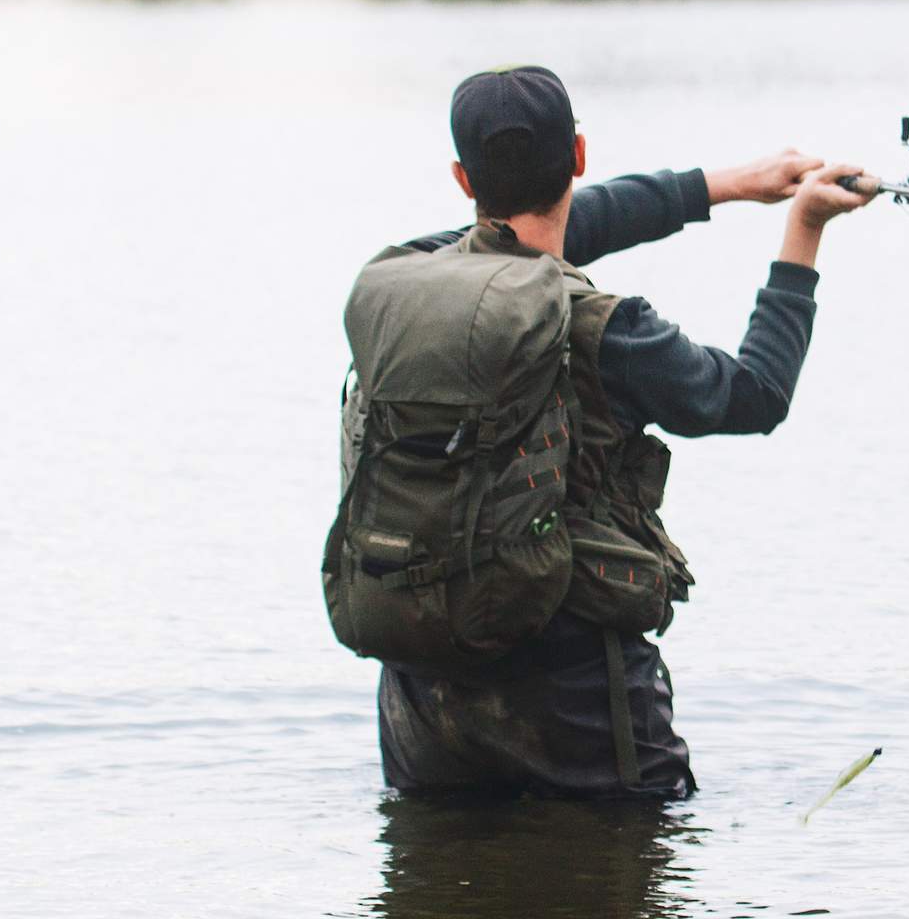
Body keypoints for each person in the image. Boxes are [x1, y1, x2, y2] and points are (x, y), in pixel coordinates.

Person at [358, 64, 873, 799]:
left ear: (462, 180)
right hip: (579, 698)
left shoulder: (399, 282)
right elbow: (755, 395)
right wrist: (804, 229)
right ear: (579, 156)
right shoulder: (609, 329)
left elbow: (542, 235)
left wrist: (725, 184)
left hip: (423, 696)